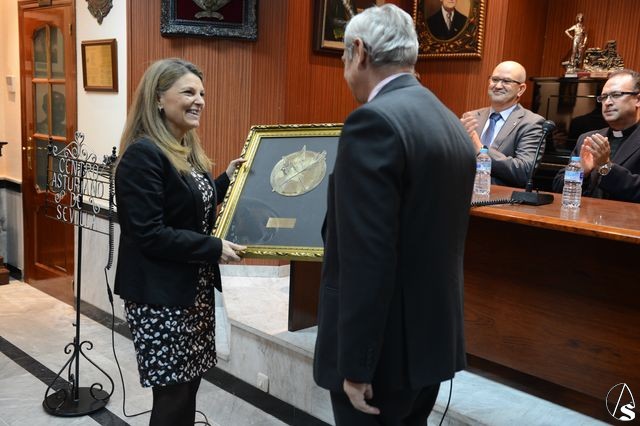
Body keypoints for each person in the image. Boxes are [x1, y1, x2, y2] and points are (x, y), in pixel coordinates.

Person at [313, 5, 476, 425]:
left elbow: (367, 257)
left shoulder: (373, 122)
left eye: (343, 57)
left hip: (383, 356)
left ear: (360, 51)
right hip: (429, 346)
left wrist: (356, 363)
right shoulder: (448, 120)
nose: (345, 69)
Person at [114, 58, 246, 425]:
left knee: (188, 388)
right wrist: (213, 248)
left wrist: (225, 180)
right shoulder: (143, 154)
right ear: (158, 99)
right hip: (160, 297)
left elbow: (186, 205)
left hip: (192, 293)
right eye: (188, 92)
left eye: (202, 93)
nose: (199, 100)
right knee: (173, 397)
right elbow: (149, 233)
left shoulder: (183, 149)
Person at [552, 69, 640, 202]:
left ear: (637, 100)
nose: (607, 102)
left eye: (616, 95)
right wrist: (581, 172)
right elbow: (558, 187)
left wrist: (606, 167)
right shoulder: (587, 138)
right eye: (604, 97)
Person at [460, 61, 545, 188]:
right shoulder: (471, 117)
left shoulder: (531, 123)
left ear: (521, 89)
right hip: (461, 191)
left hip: (499, 197)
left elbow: (524, 172)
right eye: (495, 79)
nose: (498, 86)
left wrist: (481, 150)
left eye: (506, 81)